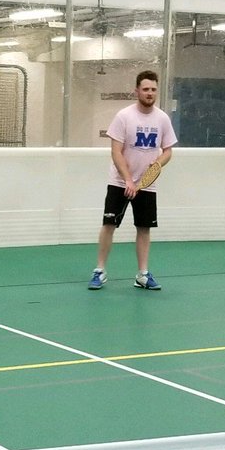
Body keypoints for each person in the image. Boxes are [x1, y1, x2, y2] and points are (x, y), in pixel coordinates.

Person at [88, 69, 176, 291]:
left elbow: (167, 151)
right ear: (136, 91)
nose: (149, 93)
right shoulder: (124, 117)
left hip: (147, 185)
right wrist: (128, 180)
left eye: (153, 89)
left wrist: (155, 166)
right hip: (120, 183)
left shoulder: (162, 118)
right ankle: (99, 271)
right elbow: (116, 152)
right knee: (109, 224)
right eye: (145, 89)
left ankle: (143, 275)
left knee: (144, 228)